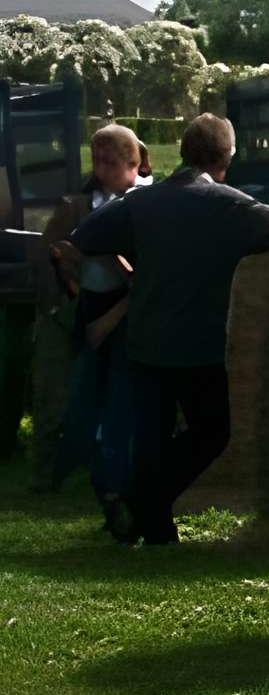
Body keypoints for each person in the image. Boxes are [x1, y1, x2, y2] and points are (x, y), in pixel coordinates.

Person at [68, 113, 269, 546]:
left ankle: (153, 525)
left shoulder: (142, 203)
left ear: (182, 153)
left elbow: (86, 235)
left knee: (151, 441)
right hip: (199, 345)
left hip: (146, 342)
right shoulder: (232, 206)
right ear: (228, 157)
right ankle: (144, 505)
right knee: (212, 431)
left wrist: (132, 254)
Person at [49, 125, 147, 535]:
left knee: (121, 408)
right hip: (94, 310)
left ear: (134, 164)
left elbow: (144, 277)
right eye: (98, 161)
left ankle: (119, 496)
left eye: (111, 162)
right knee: (85, 405)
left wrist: (110, 320)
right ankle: (98, 487)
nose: (102, 170)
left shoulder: (143, 203)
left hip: (125, 318)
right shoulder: (91, 201)